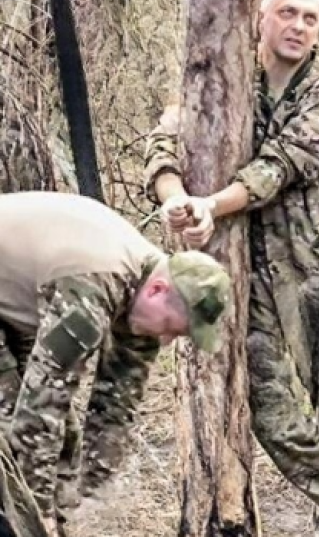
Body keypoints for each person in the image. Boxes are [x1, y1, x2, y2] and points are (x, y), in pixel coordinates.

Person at [142, 0, 319, 537]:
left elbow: (277, 169)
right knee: (271, 413)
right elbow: (165, 141)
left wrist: (212, 203)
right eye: (287, 13)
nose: (299, 27)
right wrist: (176, 201)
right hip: (256, 280)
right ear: (259, 17)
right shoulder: (223, 79)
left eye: (310, 18)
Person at [0, 190, 231, 534]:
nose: (166, 340)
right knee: (11, 446)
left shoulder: (149, 280)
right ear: (158, 291)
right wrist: (38, 513)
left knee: (60, 444)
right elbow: (42, 406)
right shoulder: (92, 289)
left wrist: (90, 502)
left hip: (13, 295)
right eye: (172, 327)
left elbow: (116, 402)